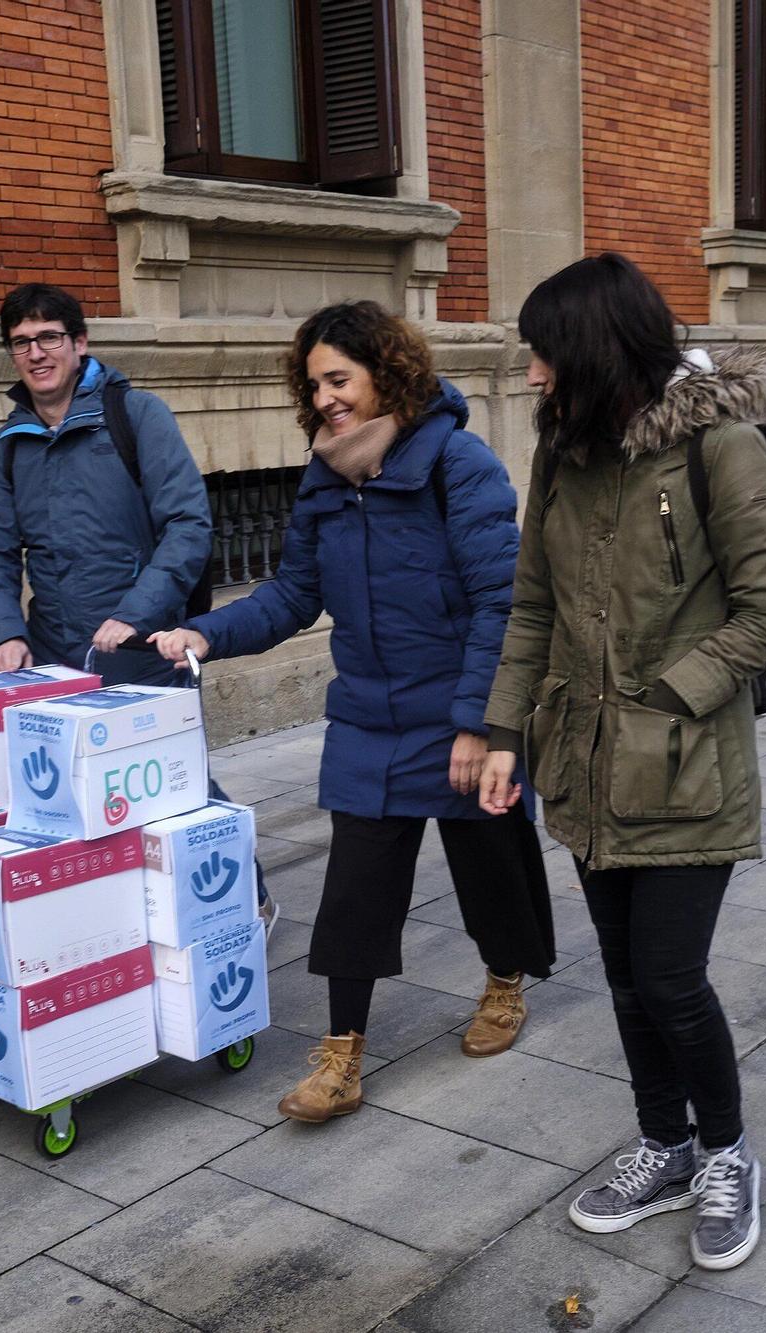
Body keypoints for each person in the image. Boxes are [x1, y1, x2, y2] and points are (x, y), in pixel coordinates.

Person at [150, 300, 556, 1122]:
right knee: (355, 891)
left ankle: (505, 983)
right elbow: (294, 595)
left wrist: (479, 722)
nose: (328, 398)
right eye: (316, 385)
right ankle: (341, 1057)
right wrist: (204, 632)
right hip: (370, 718)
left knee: (492, 867)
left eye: (341, 378)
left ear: (386, 373)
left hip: (459, 716)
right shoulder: (326, 479)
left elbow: (500, 602)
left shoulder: (458, 464)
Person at [478, 254, 766, 1272]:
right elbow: (532, 605)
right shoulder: (562, 451)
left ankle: (726, 1151)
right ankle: (662, 1142)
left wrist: (668, 695)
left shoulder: (720, 444)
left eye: (542, 355)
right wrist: (504, 736)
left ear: (593, 351)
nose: (530, 375)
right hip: (581, 761)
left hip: (683, 763)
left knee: (670, 977)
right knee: (623, 979)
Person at [0, 283, 211, 688]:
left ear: (79, 343)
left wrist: (133, 614)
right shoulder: (8, 446)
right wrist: (6, 633)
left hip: (141, 650)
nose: (35, 354)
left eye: (49, 337)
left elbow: (187, 525)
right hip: (52, 659)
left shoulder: (137, 415)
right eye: (21, 342)